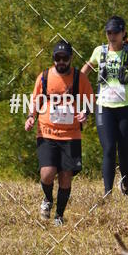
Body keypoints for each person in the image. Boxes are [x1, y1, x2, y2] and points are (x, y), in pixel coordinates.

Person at [25, 40, 94, 225]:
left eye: (64, 58)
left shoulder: (80, 78)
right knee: (47, 173)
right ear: (53, 59)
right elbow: (35, 100)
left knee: (65, 177)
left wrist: (84, 113)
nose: (61, 61)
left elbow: (90, 101)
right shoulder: (45, 77)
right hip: (46, 132)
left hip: (71, 135)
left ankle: (59, 215)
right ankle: (48, 199)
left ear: (70, 58)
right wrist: (31, 116)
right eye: (57, 58)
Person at [81, 16, 128, 197]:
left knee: (124, 150)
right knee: (109, 148)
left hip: (125, 107)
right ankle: (107, 192)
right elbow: (85, 70)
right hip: (104, 107)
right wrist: (79, 88)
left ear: (123, 33)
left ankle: (126, 185)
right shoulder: (99, 51)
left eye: (115, 32)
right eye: (108, 32)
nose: (111, 36)